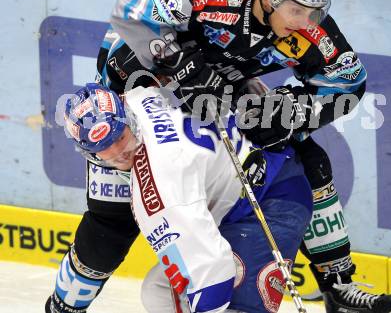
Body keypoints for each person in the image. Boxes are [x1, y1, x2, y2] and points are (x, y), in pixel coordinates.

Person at [46, 0, 391, 313]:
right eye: (296, 10)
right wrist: (180, 65)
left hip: (219, 96)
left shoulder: (308, 28)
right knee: (112, 223)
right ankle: (63, 306)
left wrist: (291, 113)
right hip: (137, 94)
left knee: (304, 161)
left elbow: (347, 81)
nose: (304, 23)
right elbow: (131, 12)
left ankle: (338, 286)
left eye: (314, 11)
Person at [55, 82, 313, 313]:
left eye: (120, 137)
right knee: (158, 293)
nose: (119, 153)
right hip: (245, 190)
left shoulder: (158, 187)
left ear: (127, 120)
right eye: (104, 149)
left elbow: (213, 276)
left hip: (273, 201)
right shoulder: (137, 95)